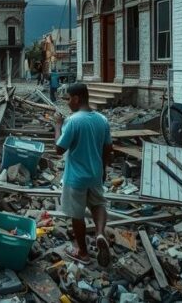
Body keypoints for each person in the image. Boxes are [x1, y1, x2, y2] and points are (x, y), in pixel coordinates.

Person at [54, 83, 113, 266]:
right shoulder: (102, 120)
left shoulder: (73, 121)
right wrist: (103, 170)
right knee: (98, 204)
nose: (68, 103)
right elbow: (108, 148)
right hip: (95, 174)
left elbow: (59, 148)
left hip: (76, 178)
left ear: (77, 98)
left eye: (69, 99)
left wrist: (57, 125)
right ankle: (100, 233)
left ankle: (83, 252)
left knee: (77, 215)